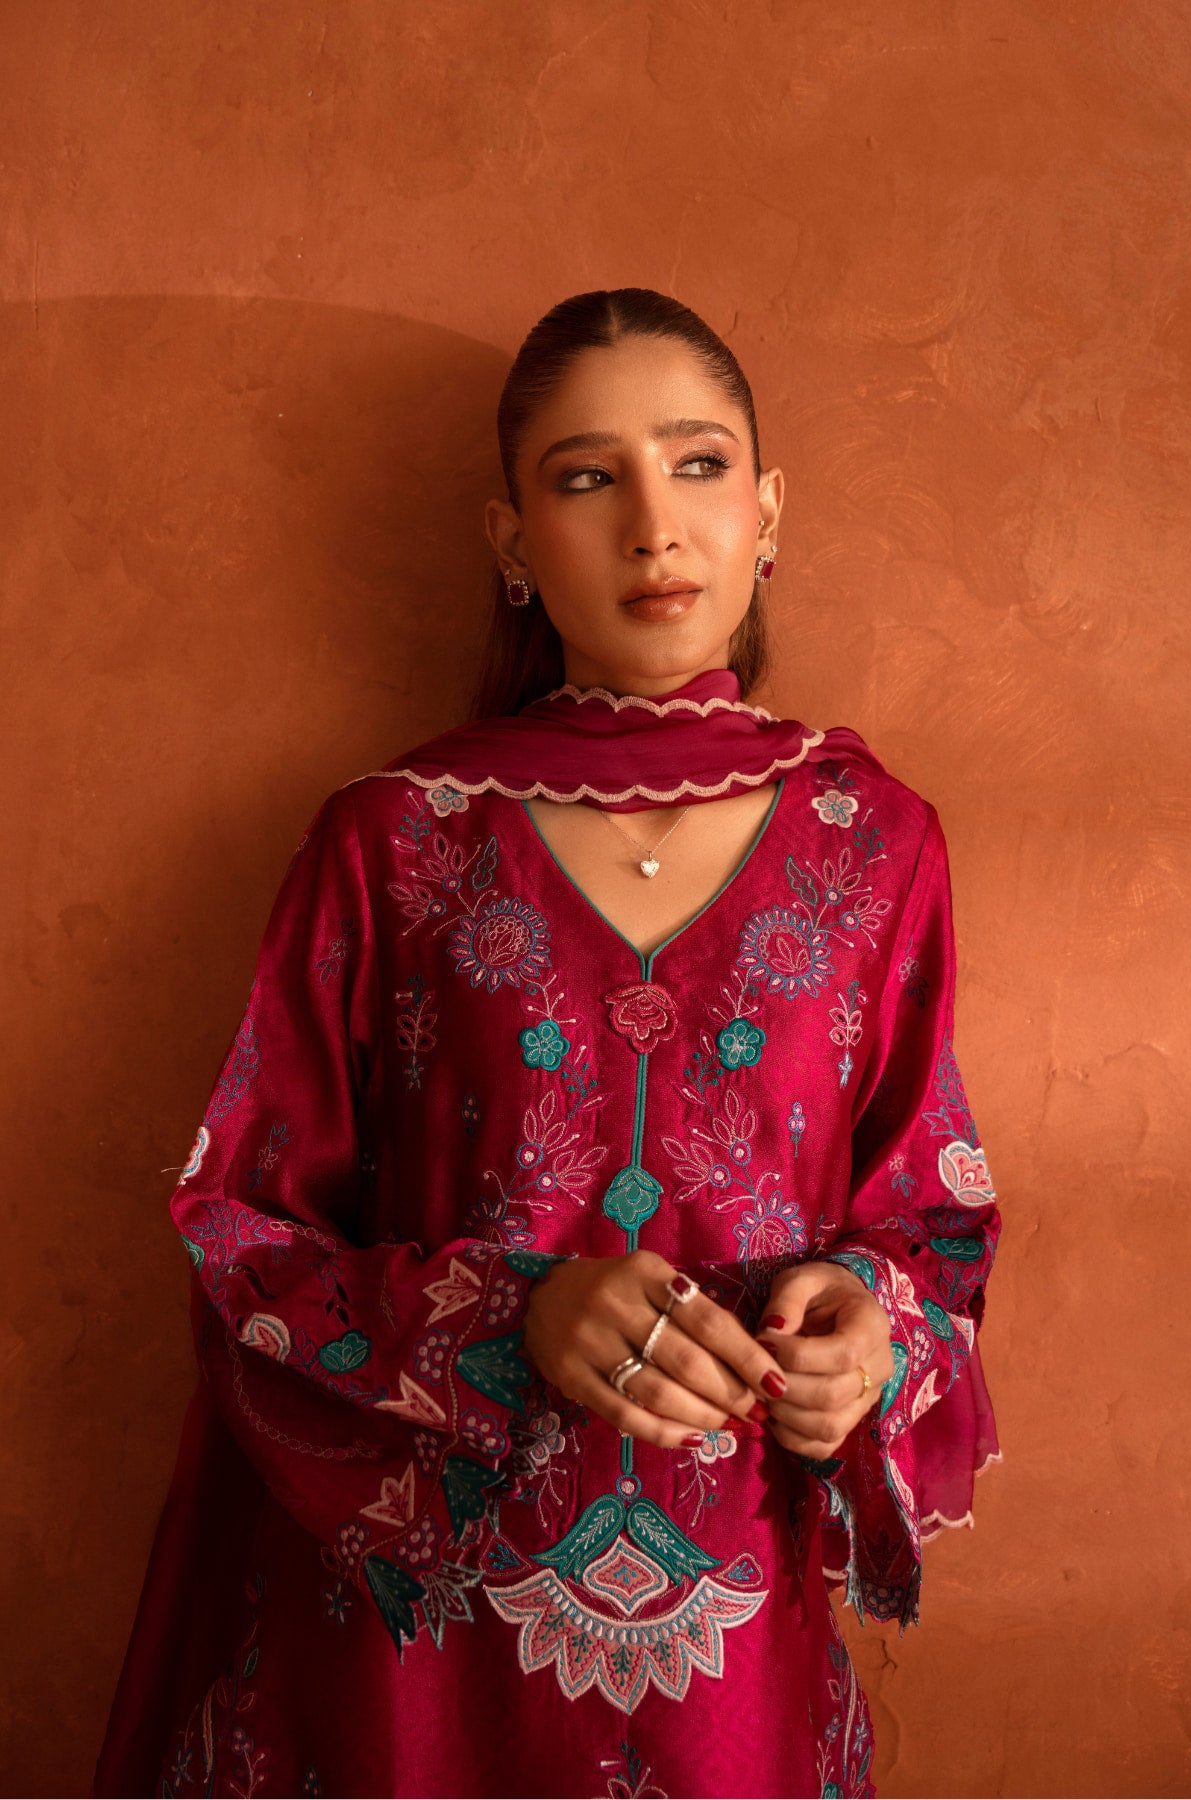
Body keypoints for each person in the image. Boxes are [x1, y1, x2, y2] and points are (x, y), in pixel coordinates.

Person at [94, 288, 1000, 1800]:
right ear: (514, 542)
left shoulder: (875, 844)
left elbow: (932, 1219)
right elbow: (240, 1240)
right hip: (420, 1653)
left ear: (769, 512)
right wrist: (509, 1318)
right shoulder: (392, 842)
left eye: (698, 464)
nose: (655, 525)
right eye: (589, 478)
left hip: (730, 1641)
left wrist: (873, 1338)